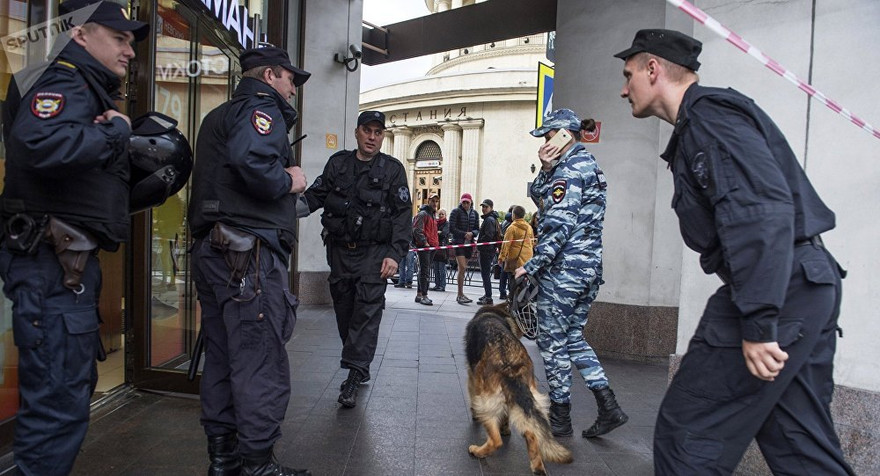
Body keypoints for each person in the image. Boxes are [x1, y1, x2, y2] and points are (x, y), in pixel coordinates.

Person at [616, 29, 855, 475]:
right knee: (798, 443)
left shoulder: (709, 118)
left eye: (629, 74)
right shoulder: (703, 124)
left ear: (654, 69)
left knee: (687, 433)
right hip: (805, 282)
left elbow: (759, 211)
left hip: (780, 287)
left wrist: (760, 321)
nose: (624, 87)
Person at [0, 2, 148, 474]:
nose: (129, 50)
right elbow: (37, 144)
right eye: (120, 38)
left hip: (62, 266)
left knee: (63, 397)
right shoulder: (64, 78)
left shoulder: (82, 84)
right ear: (81, 34)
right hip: (52, 266)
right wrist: (115, 136)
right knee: (56, 408)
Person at [188, 46, 311, 476]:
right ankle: (257, 465)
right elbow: (253, 164)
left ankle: (224, 461)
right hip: (247, 256)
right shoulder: (262, 109)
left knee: (222, 357)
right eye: (291, 79)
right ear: (271, 75)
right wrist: (288, 180)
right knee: (259, 359)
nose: (293, 89)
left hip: (217, 250)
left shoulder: (219, 115)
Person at [514, 108, 628, 440]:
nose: (545, 142)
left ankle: (560, 420)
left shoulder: (570, 172)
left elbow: (558, 227)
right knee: (573, 338)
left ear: (564, 135)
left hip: (564, 271)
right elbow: (540, 197)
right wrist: (547, 168)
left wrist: (529, 267)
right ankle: (608, 407)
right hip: (588, 270)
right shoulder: (584, 166)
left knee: (552, 344)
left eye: (549, 136)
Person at [302, 110, 411, 408]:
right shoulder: (338, 163)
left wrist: (395, 254)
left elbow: (403, 215)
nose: (372, 137)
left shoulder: (392, 170)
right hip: (340, 251)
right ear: (357, 132)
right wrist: (286, 208)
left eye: (378, 132)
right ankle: (358, 363)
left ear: (383, 136)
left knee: (366, 312)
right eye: (367, 131)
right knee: (345, 313)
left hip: (374, 254)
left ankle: (353, 376)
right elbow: (317, 195)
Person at [448, 193, 480, 304]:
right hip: (459, 242)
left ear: (471, 203)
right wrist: (464, 234)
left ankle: (461, 294)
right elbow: (451, 227)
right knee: (462, 267)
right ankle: (460, 294)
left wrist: (472, 233)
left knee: (463, 269)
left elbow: (477, 228)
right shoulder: (455, 212)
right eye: (464, 202)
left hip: (469, 244)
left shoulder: (475, 213)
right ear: (461, 202)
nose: (466, 204)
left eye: (467, 202)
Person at [498, 205, 534, 299]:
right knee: (524, 285)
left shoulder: (512, 228)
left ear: (513, 215)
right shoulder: (529, 227)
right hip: (527, 260)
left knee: (513, 285)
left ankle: (513, 303)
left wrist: (501, 257)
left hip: (515, 261)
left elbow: (506, 244)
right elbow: (532, 242)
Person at [412, 193, 439, 305]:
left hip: (432, 246)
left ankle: (419, 294)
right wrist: (425, 242)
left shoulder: (432, 215)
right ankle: (424, 295)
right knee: (425, 271)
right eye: (433, 201)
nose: (434, 203)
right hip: (425, 247)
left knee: (424, 270)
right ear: (428, 201)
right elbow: (416, 230)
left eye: (436, 201)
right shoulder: (423, 214)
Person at [476, 199, 500, 305]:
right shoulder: (490, 219)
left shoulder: (489, 220)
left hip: (487, 250)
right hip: (488, 249)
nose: (483, 209)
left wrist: (479, 242)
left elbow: (488, 236)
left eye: (486, 207)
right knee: (485, 274)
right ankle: (487, 294)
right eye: (482, 207)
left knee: (485, 274)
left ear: (491, 207)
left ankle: (489, 297)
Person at [497, 206, 514, 300]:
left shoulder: (504, 222)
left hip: (503, 250)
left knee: (503, 273)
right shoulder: (512, 224)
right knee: (509, 273)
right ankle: (509, 292)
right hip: (511, 252)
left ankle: (502, 291)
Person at [431, 208, 450, 291]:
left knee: (442, 268)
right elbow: (432, 232)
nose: (441, 215)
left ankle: (442, 286)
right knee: (435, 268)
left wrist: (438, 232)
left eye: (442, 214)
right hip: (435, 248)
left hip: (442, 249)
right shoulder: (435, 223)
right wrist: (438, 232)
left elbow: (444, 233)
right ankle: (437, 284)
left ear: (445, 215)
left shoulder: (447, 223)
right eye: (440, 214)